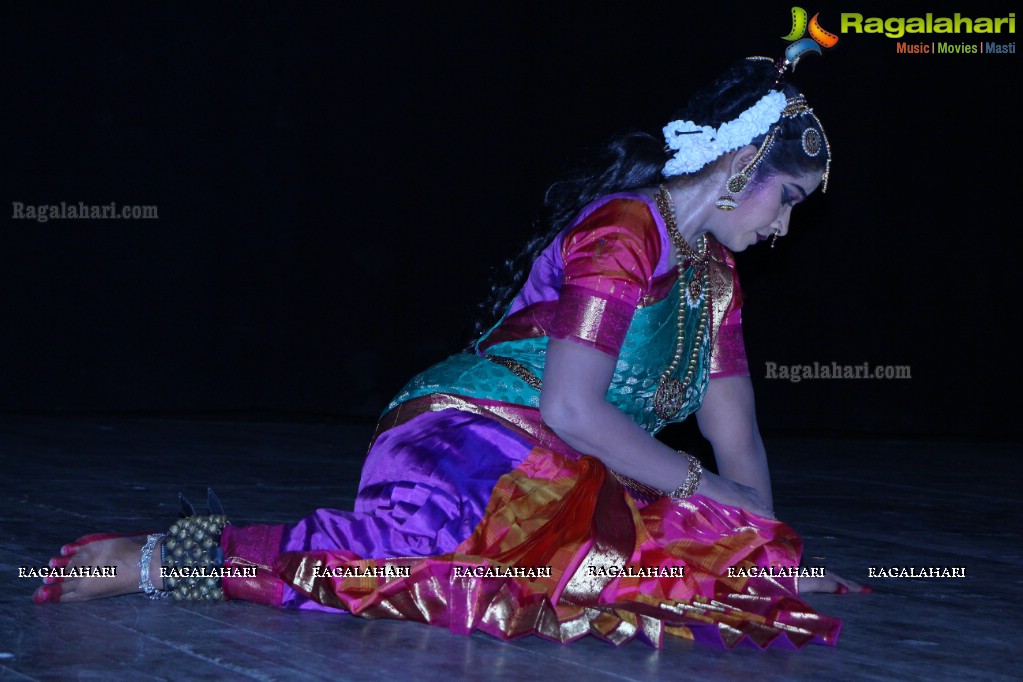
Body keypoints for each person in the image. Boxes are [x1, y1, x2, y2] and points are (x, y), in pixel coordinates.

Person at [35, 56, 867, 649]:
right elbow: (570, 408)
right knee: (425, 568)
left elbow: (736, 440)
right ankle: (152, 558)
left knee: (633, 575)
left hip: (575, 463)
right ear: (743, 163)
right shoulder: (626, 229)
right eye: (785, 199)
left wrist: (761, 548)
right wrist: (710, 498)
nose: (783, 228)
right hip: (474, 430)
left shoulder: (716, 277)